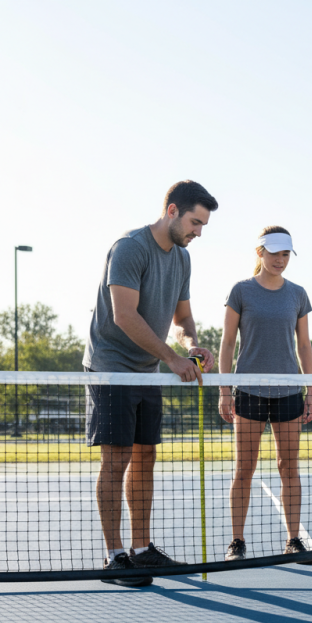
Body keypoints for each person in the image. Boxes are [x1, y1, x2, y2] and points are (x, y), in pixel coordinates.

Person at [84, 180, 218, 587]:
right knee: (117, 458)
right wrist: (173, 359)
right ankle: (115, 556)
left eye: (203, 226)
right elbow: (124, 315)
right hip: (111, 367)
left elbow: (181, 319)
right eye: (195, 222)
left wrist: (192, 345)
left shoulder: (182, 259)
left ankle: (142, 550)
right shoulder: (130, 247)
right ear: (173, 210)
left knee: (145, 459)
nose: (198, 232)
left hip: (147, 370)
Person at [218, 225, 312, 564]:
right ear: (259, 252)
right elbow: (228, 343)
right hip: (248, 392)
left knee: (289, 467)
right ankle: (237, 542)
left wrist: (311, 391)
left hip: (289, 393)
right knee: (244, 469)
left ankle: (293, 540)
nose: (280, 259)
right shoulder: (241, 291)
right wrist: (224, 391)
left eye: (286, 253)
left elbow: (304, 346)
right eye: (274, 252)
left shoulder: (298, 294)